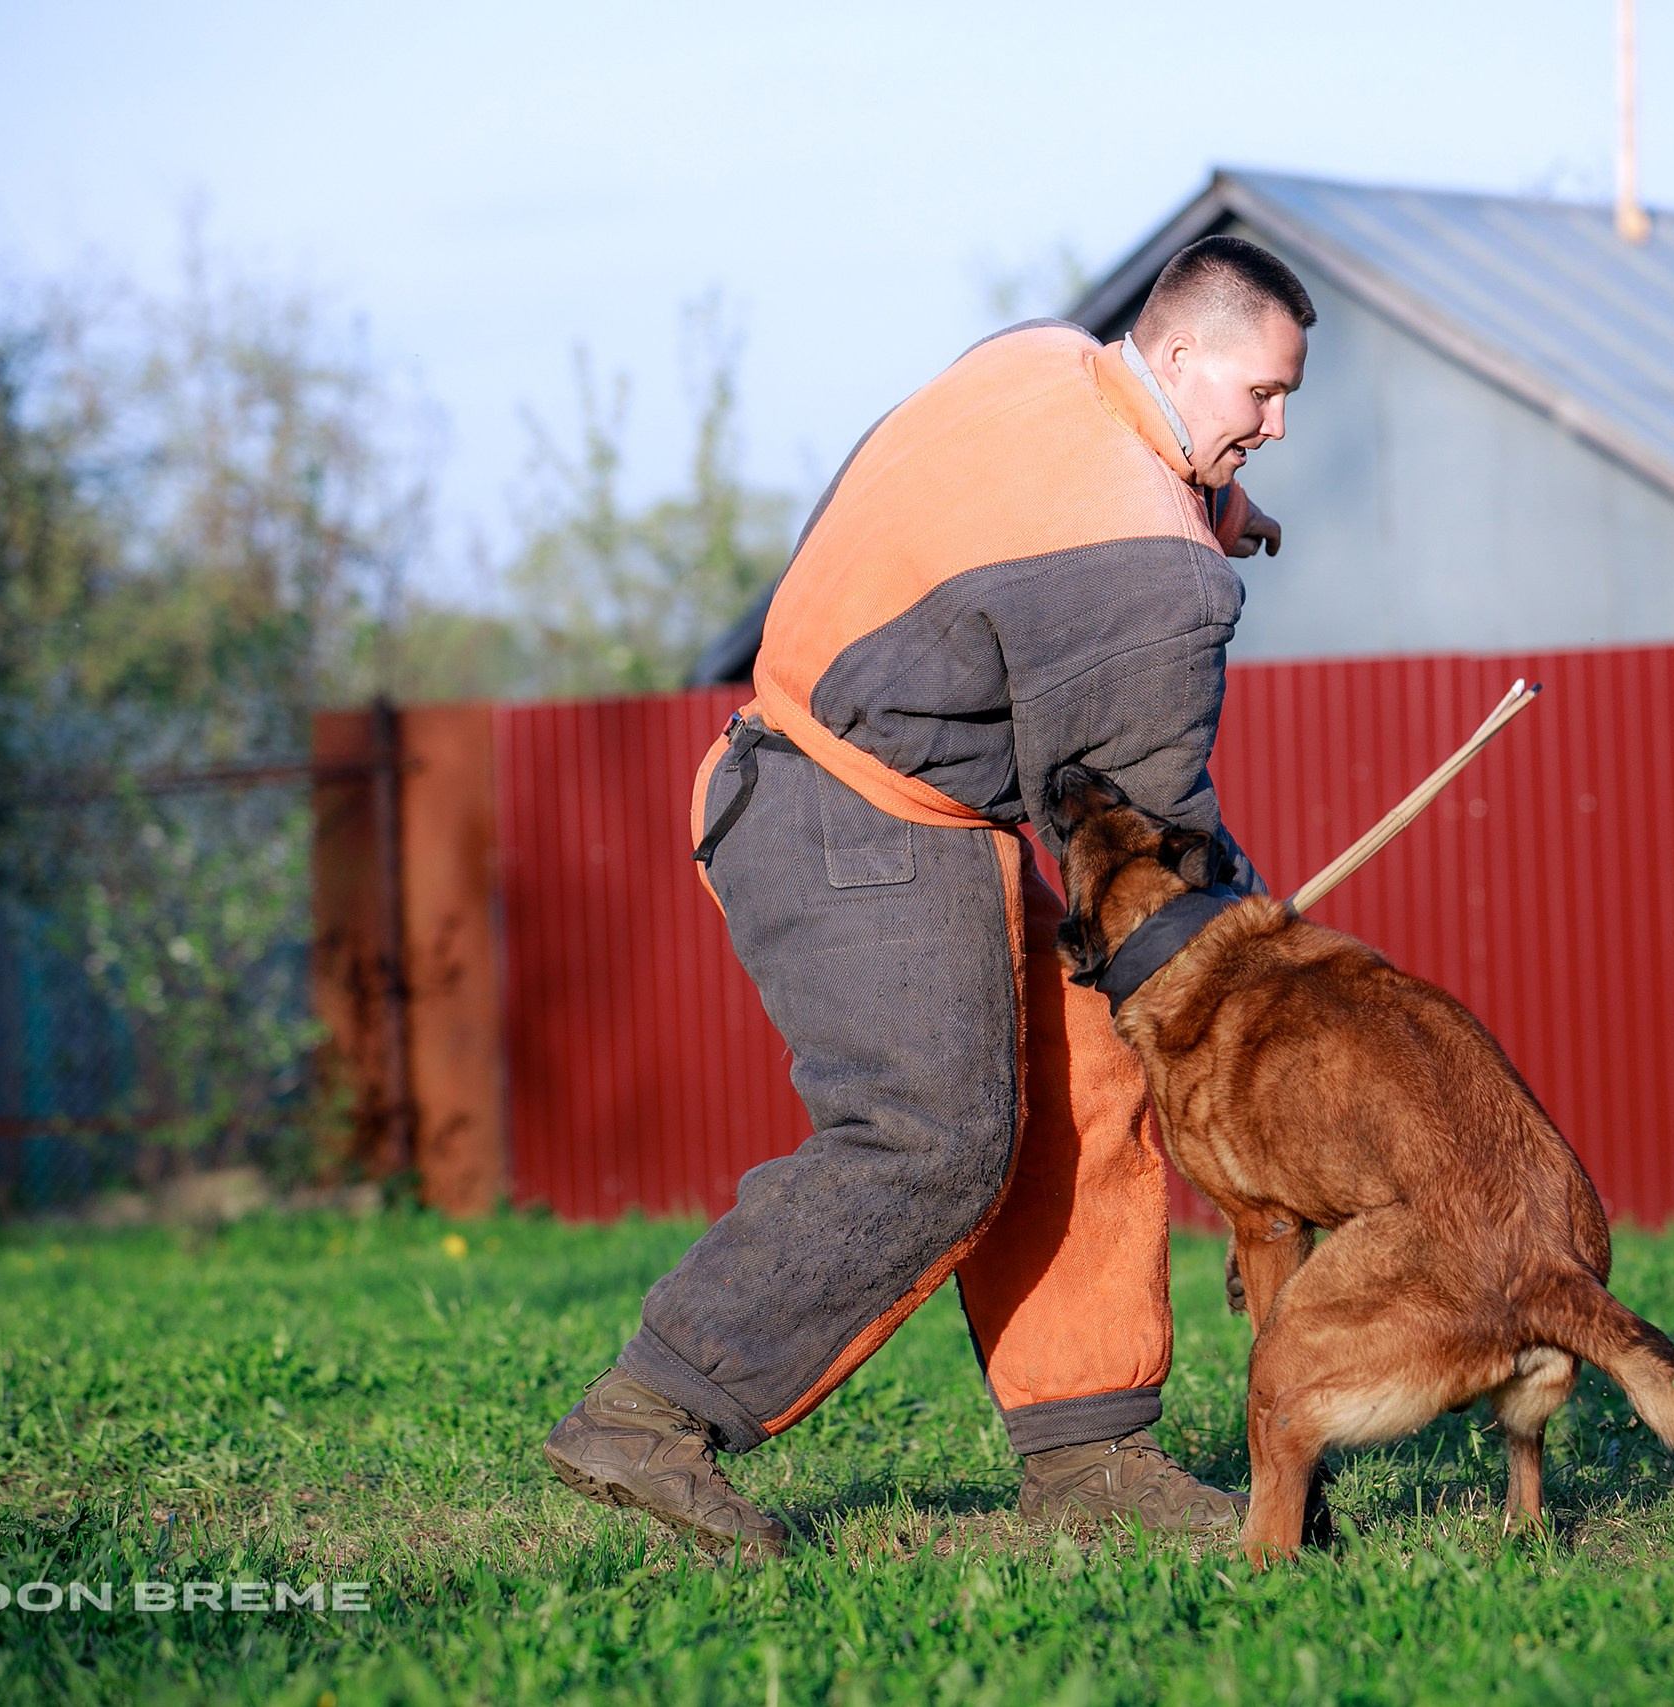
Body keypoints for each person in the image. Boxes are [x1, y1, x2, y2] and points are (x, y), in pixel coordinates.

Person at [544, 236, 1315, 1562]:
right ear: (1182, 357)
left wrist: (1193, 495)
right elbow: (1133, 837)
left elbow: (997, 514)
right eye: (1259, 398)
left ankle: (1089, 1445)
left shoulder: (1040, 359)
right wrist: (1254, 937)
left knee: (1087, 1078)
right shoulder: (1154, 574)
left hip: (842, 767)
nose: (1277, 427)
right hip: (842, 814)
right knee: (931, 1135)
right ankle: (650, 1414)